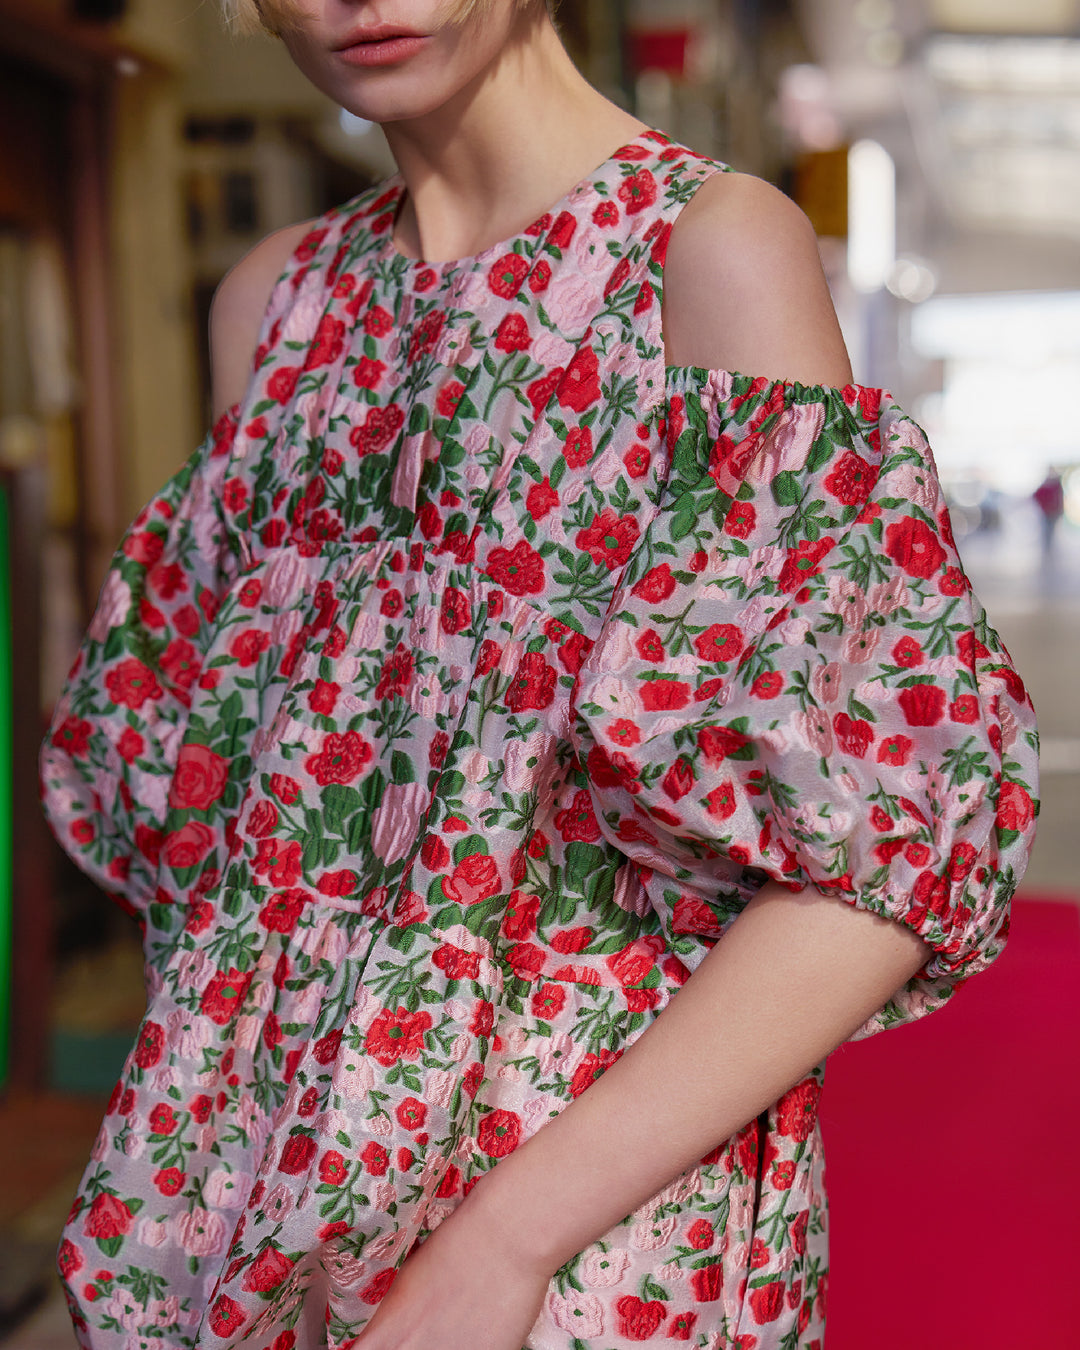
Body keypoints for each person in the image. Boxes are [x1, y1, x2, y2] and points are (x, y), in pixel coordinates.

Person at [39, 1, 1039, 1346]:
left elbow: (882, 854)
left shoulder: (702, 250)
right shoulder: (275, 301)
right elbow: (229, 840)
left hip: (580, 1218)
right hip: (244, 1198)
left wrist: (506, 1242)